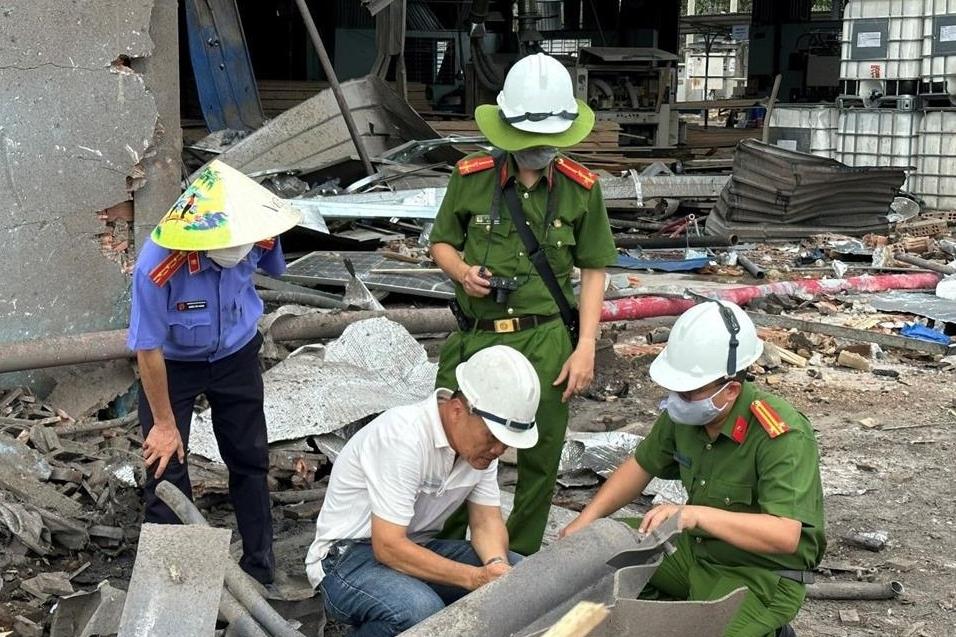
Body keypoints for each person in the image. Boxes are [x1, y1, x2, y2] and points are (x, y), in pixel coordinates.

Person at [429, 53, 617, 555]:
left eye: (548, 142)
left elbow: (595, 269)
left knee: (541, 456)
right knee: (454, 446)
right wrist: (462, 273)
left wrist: (587, 348)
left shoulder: (582, 190)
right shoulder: (471, 177)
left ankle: (522, 556)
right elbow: (441, 243)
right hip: (476, 335)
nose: (538, 150)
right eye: (528, 141)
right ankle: (442, 550)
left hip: (545, 338)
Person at [561, 301, 826, 637]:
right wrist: (586, 522)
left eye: (687, 392)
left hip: (760, 573)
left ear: (730, 390)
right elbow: (640, 466)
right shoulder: (686, 416)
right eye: (674, 388)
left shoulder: (781, 434)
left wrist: (694, 515)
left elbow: (785, 535)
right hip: (697, 551)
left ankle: (767, 629)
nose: (676, 399)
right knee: (603, 551)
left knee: (704, 630)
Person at [127, 160, 302, 585]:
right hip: (173, 364)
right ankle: (177, 581)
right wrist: (165, 424)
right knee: (165, 464)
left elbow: (274, 267)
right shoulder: (157, 263)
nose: (240, 254)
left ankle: (259, 573)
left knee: (249, 458)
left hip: (236, 354)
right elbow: (147, 349)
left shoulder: (259, 233)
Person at [306, 346, 540, 636]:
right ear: (457, 411)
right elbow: (388, 546)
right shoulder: (403, 437)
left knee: (524, 578)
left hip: (416, 546)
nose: (498, 449)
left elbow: (486, 521)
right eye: (493, 437)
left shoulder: (479, 451)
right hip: (347, 558)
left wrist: (497, 567)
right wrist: (475, 578)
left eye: (505, 442)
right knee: (419, 612)